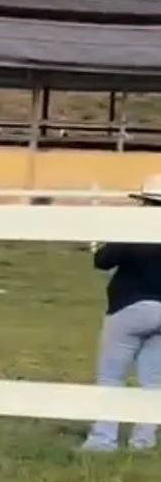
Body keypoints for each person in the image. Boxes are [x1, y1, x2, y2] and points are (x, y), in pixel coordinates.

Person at [81, 190, 161, 452]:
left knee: (111, 377)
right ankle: (143, 440)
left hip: (128, 308)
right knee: (152, 381)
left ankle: (103, 439)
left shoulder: (136, 230)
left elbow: (102, 260)